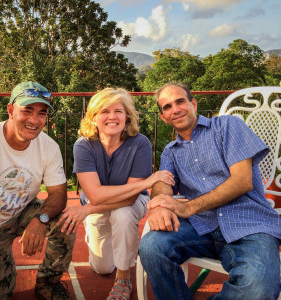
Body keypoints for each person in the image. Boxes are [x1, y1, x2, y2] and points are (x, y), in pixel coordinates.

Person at [138, 82, 281, 300]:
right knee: (151, 246)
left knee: (258, 287)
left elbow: (242, 181)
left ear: (193, 104)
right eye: (167, 107)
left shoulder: (228, 126)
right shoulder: (171, 151)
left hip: (250, 225)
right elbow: (162, 182)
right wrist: (158, 206)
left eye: (180, 101)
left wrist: (188, 207)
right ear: (164, 117)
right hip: (201, 227)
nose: (175, 109)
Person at [57, 88, 174, 300]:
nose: (112, 116)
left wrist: (86, 210)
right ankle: (110, 240)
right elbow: (95, 196)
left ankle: (123, 278)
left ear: (127, 116)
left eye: (118, 111)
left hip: (132, 202)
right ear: (93, 118)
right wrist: (147, 182)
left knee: (123, 214)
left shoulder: (140, 143)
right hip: (97, 205)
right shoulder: (83, 145)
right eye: (104, 111)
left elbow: (130, 198)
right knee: (102, 268)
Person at [0, 81, 75, 300]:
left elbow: (59, 194)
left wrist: (40, 220)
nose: (34, 120)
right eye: (27, 110)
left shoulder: (48, 146)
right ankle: (4, 268)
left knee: (66, 222)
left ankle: (47, 283)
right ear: (11, 110)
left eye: (41, 113)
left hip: (24, 211)